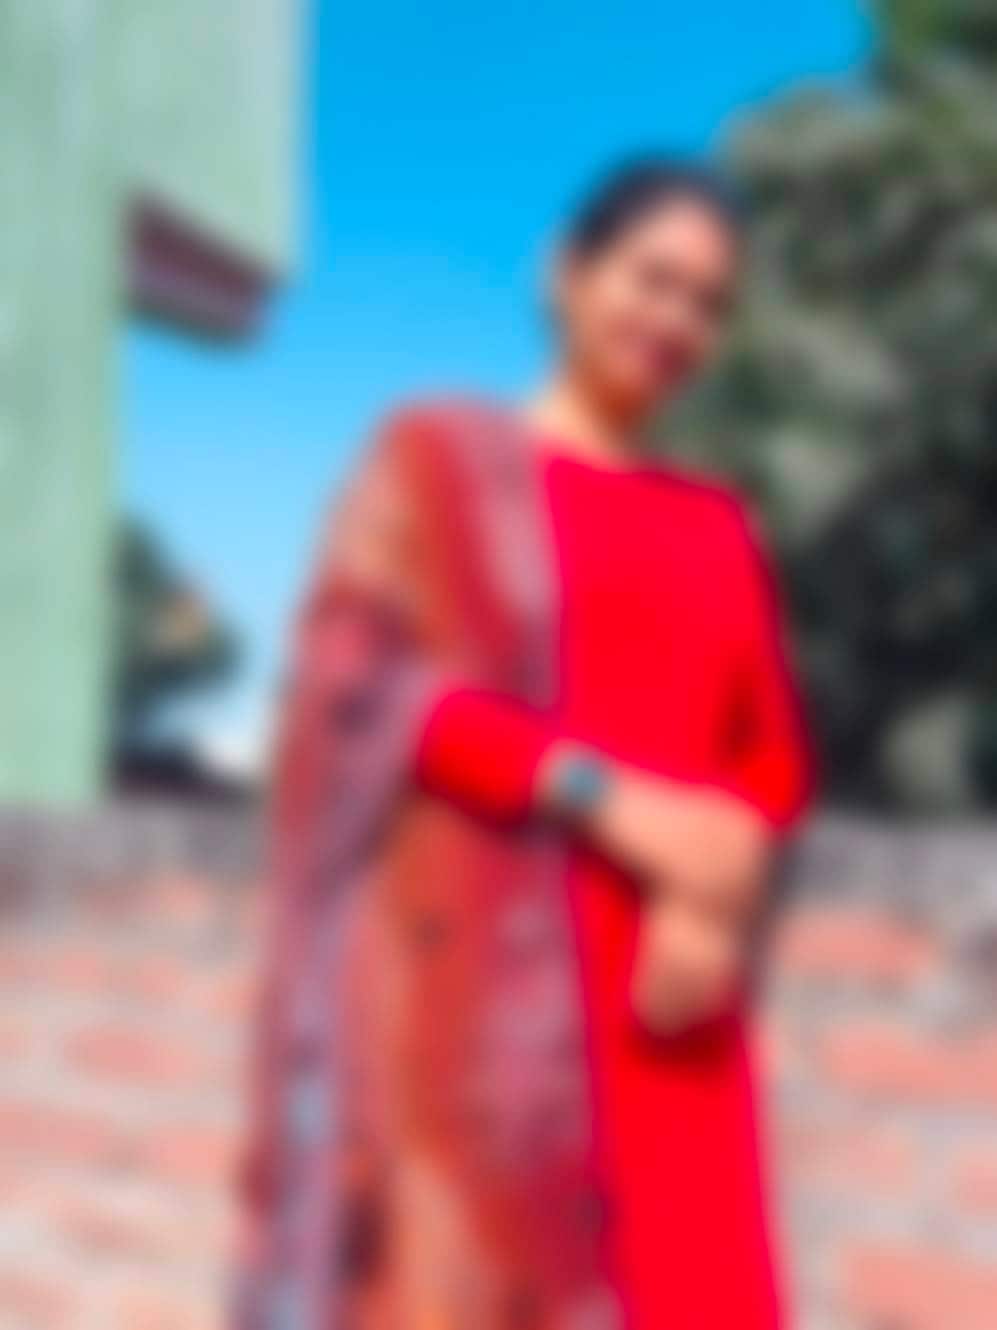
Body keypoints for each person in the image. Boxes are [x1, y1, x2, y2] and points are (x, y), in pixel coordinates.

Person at [236, 157, 814, 1330]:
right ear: (565, 274)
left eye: (708, 304)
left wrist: (710, 896)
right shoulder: (436, 466)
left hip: (673, 1027)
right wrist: (609, 800)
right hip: (483, 1020)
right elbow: (360, 685)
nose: (676, 323)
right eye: (651, 280)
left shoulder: (715, 523)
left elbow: (772, 756)